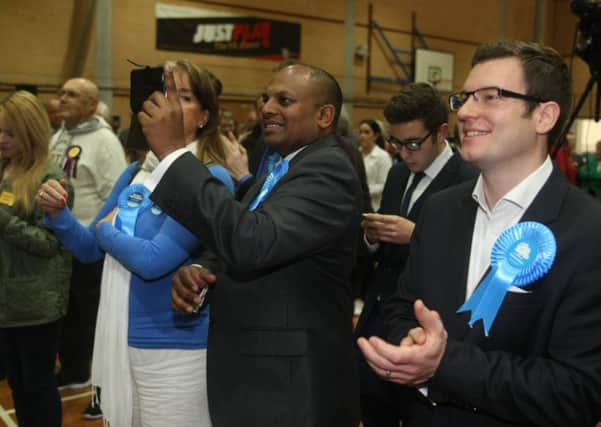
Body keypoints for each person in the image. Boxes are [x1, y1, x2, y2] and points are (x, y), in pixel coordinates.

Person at [358, 40, 601, 427]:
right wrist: (411, 345)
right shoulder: (439, 212)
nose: (466, 112)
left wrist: (442, 364)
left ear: (544, 116)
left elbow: (579, 390)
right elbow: (401, 307)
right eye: (465, 97)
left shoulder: (588, 231)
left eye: (491, 97)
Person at [141, 62, 362, 426]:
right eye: (266, 97)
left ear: (324, 115)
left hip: (290, 389)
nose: (267, 108)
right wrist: (202, 269)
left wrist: (175, 156)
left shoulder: (328, 170)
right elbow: (244, 233)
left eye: (284, 100)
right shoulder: (279, 169)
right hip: (259, 378)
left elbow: (252, 242)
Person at [38, 60, 234, 427]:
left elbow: (153, 260)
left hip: (176, 349)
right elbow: (88, 250)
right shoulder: (134, 172)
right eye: (163, 93)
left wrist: (105, 231)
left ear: (205, 117)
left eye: (184, 97)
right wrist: (59, 215)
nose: (168, 103)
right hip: (121, 342)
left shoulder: (211, 178)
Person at [355, 82, 478, 427]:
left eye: (412, 143)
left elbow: (473, 257)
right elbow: (382, 253)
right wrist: (372, 238)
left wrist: (417, 236)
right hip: (380, 309)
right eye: (396, 143)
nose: (404, 153)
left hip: (427, 324)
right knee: (370, 402)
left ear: (441, 133)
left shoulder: (469, 180)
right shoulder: (397, 174)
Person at [49, 78, 127, 399]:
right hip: (59, 243)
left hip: (89, 247)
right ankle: (73, 370)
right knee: (67, 314)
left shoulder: (105, 142)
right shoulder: (60, 136)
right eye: (62, 93)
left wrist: (95, 235)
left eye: (73, 95)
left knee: (92, 320)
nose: (63, 98)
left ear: (92, 106)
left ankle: (102, 389)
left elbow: (115, 197)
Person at [0, 91, 72, 427]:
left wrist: (4, 221)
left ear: (29, 132)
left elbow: (50, 243)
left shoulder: (50, 176)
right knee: (17, 385)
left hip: (36, 304)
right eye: (0, 130)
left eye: (10, 133)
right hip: (8, 302)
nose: (2, 139)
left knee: (37, 387)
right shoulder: (5, 168)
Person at [359, 118, 392, 211]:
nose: (362, 135)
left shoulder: (383, 156)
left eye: (366, 132)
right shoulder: (356, 153)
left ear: (375, 135)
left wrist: (362, 191)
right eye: (360, 132)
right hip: (356, 205)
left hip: (374, 207)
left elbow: (385, 185)